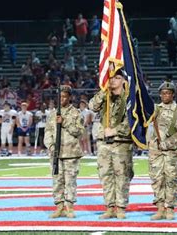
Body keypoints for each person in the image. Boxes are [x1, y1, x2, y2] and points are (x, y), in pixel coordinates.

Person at [89, 68, 133, 219]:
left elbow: (133, 122)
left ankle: (120, 207)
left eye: (116, 78)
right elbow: (92, 106)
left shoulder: (129, 99)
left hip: (121, 143)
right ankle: (109, 206)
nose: (113, 80)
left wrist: (115, 131)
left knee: (122, 175)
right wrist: (103, 90)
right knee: (105, 175)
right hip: (104, 143)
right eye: (111, 77)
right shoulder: (105, 97)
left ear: (124, 81)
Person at [148, 82, 177, 220]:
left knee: (171, 180)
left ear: (173, 95)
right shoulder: (154, 110)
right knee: (157, 179)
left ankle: (170, 208)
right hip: (155, 152)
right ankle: (160, 208)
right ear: (160, 94)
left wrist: (167, 144)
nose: (166, 95)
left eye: (168, 93)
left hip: (172, 152)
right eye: (163, 93)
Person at [45, 86, 85, 219]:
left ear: (70, 97)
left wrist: (65, 122)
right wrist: (50, 146)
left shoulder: (76, 113)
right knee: (57, 181)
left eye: (64, 96)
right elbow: (48, 132)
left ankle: (70, 207)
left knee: (70, 181)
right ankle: (59, 207)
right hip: (55, 153)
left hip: (71, 152)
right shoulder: (52, 114)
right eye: (59, 97)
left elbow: (79, 132)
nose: (61, 99)